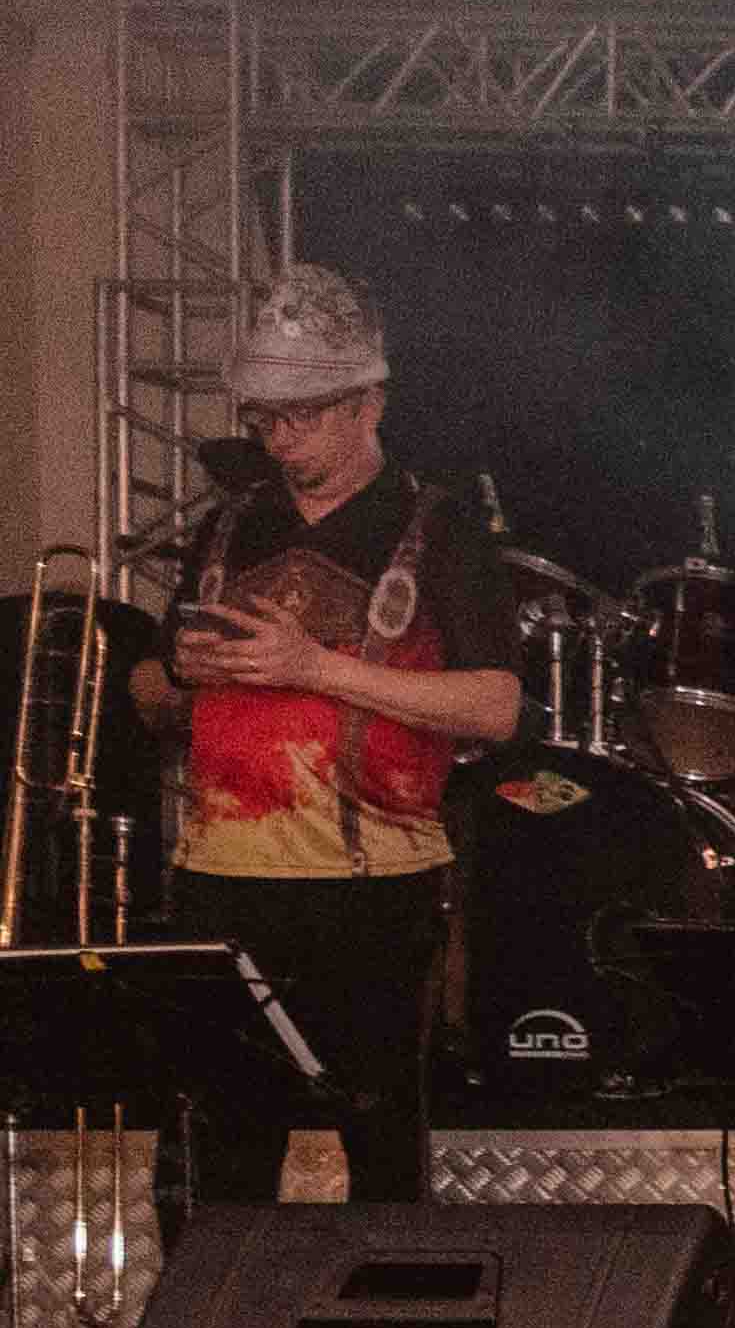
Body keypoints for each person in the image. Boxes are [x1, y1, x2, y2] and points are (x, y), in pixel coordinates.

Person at [119, 265, 521, 1209]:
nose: (279, 436)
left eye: (301, 414)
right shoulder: (231, 524)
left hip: (370, 890)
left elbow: (498, 708)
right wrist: (181, 675)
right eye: (264, 417)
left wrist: (316, 668)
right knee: (211, 1162)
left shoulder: (437, 528)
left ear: (369, 403)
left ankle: (384, 1311)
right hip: (219, 879)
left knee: (378, 1154)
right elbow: (150, 690)